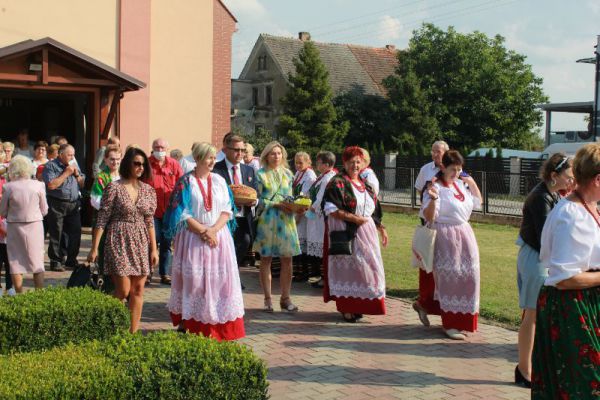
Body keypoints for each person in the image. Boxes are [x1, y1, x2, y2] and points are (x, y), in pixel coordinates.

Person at [530, 143, 600, 398]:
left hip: (586, 302)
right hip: (572, 308)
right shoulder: (571, 214)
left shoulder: (588, 207)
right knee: (582, 386)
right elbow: (564, 279)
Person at [164, 142, 245, 340]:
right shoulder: (185, 182)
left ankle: (218, 323)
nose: (212, 161)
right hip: (193, 237)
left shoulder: (219, 180)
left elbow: (227, 208)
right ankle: (191, 321)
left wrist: (214, 230)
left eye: (212, 158)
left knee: (220, 281)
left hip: (219, 237)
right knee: (195, 281)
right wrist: (203, 231)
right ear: (198, 158)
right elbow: (181, 212)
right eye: (208, 158)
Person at [514, 153, 573, 388]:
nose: (571, 181)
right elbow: (545, 238)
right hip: (535, 259)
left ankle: (528, 367)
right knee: (531, 315)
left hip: (538, 257)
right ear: (554, 175)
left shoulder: (551, 194)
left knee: (536, 315)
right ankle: (524, 370)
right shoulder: (541, 197)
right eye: (568, 176)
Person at [87, 147, 158, 333]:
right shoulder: (114, 187)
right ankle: (103, 322)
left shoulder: (149, 190)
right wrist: (94, 248)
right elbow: (102, 219)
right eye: (136, 163)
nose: (140, 167)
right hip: (118, 238)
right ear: (128, 163)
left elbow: (150, 220)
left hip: (141, 240)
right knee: (123, 291)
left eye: (143, 164)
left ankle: (132, 334)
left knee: (138, 290)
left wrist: (154, 249)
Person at [322, 146, 388, 322]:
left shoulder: (365, 185)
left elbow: (373, 210)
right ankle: (347, 307)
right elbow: (330, 208)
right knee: (349, 271)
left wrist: (381, 227)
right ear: (344, 163)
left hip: (366, 234)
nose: (355, 165)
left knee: (368, 269)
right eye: (352, 162)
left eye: (358, 162)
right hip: (346, 233)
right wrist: (354, 219)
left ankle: (361, 304)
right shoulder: (337, 183)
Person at [421, 150, 482, 340]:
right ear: (443, 167)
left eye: (459, 169)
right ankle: (450, 322)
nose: (456, 173)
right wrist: (432, 199)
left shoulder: (460, 185)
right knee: (450, 279)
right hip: (446, 236)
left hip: (464, 234)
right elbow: (429, 217)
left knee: (469, 276)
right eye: (452, 169)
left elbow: (478, 203)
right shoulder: (435, 187)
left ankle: (459, 318)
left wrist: (471, 183)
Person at [253, 141, 301, 312]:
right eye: (273, 153)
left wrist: (298, 206)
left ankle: (285, 298)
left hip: (286, 221)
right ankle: (267, 299)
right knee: (266, 259)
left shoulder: (288, 174)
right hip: (268, 220)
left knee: (287, 259)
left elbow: (291, 197)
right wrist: (274, 204)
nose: (276, 156)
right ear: (266, 155)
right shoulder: (259, 174)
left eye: (279, 153)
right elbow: (256, 199)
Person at [412, 140, 449, 327]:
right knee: (427, 265)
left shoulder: (453, 170)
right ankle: (424, 302)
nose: (435, 154)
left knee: (444, 269)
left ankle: (442, 307)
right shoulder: (426, 169)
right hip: (427, 220)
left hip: (446, 224)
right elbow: (420, 189)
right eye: (433, 151)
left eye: (439, 151)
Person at [0, 155, 48, 293]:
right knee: (37, 261)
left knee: (15, 262)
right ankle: (39, 295)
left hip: (15, 226)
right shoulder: (39, 185)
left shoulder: (8, 187)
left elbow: (2, 211)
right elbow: (44, 210)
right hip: (35, 226)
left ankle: (20, 295)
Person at [213, 135, 258, 271]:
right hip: (223, 218)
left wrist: (254, 201)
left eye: (242, 150)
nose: (240, 154)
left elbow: (255, 192)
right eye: (236, 150)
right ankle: (222, 274)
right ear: (225, 149)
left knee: (245, 241)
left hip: (243, 216)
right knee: (223, 247)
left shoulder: (248, 170)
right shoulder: (216, 170)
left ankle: (233, 273)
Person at [145, 138, 183, 285]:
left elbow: (181, 184)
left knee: (166, 243)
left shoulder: (174, 164)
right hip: (151, 211)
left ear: (167, 149)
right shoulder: (146, 164)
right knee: (152, 241)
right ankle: (148, 272)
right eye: (156, 147)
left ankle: (164, 273)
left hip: (169, 212)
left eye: (162, 147)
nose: (159, 150)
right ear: (152, 147)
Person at [42, 144, 85, 272]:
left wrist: (77, 175)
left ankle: (71, 260)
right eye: (69, 155)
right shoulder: (51, 166)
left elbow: (82, 185)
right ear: (60, 155)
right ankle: (56, 261)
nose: (72, 157)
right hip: (57, 203)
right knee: (56, 233)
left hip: (73, 204)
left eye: (73, 155)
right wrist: (66, 173)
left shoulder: (74, 164)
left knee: (75, 232)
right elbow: (51, 185)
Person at [306, 151, 337, 288]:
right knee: (319, 246)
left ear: (326, 164)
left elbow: (321, 197)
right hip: (316, 217)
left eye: (318, 162)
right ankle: (320, 276)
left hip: (321, 216)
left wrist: (311, 208)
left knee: (323, 247)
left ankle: (326, 278)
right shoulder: (323, 176)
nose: (316, 165)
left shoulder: (329, 177)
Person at [292, 152, 317, 282]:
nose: (297, 165)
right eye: (296, 162)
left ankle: (304, 272)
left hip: (303, 213)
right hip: (296, 210)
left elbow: (306, 197)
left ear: (308, 162)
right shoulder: (299, 173)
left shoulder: (310, 175)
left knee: (302, 242)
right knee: (298, 241)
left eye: (300, 162)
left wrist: (299, 215)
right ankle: (298, 271)